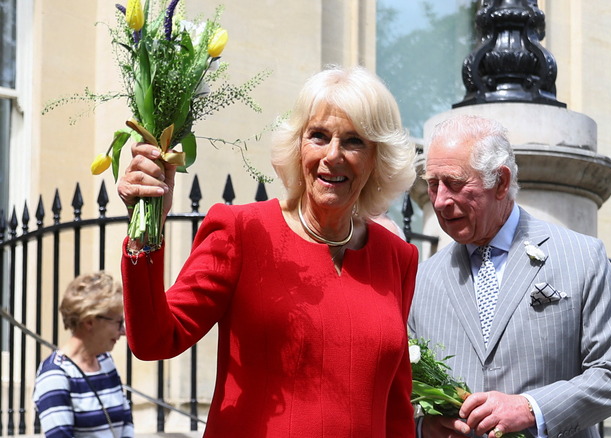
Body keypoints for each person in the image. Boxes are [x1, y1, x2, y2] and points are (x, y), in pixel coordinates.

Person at [116, 65, 418, 437]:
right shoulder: (241, 231)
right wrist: (145, 229)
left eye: (354, 141)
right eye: (318, 136)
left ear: (377, 158)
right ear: (297, 145)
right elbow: (154, 339)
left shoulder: (397, 257)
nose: (333, 156)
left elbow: (395, 408)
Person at [408, 114, 611, 438]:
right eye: (433, 184)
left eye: (455, 183)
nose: (441, 200)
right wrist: (422, 427)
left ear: (500, 182)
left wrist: (532, 408)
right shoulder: (421, 280)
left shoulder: (582, 258)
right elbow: (401, 390)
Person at [33, 272, 133, 438]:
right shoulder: (54, 375)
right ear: (90, 321)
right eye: (118, 322)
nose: (123, 331)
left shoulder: (105, 362)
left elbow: (126, 422)